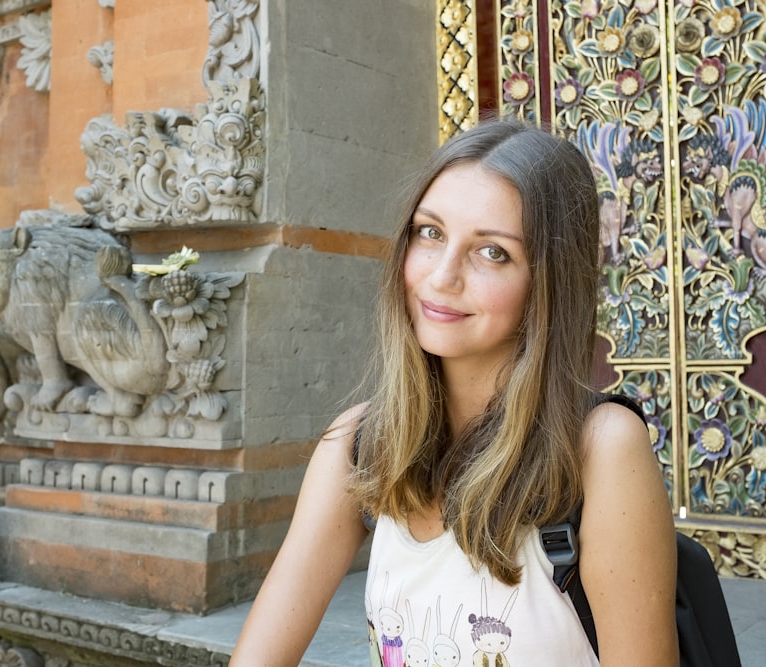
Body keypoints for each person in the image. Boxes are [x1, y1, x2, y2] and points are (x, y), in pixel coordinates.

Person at [229, 118, 678, 666]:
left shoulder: (602, 447)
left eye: (493, 252)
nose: (441, 276)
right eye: (431, 233)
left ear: (550, 282)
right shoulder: (357, 443)